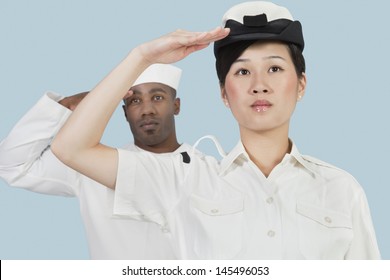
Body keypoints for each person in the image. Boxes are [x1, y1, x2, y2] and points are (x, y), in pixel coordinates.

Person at [51, 1, 380, 259]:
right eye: (242, 72)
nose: (259, 85)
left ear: (301, 85)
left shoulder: (341, 190)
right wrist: (142, 58)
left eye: (275, 68)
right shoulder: (185, 181)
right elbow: (71, 149)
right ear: (224, 93)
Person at [0, 64, 188, 259]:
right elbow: (12, 165)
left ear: (176, 105)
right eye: (135, 100)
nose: (147, 110)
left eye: (157, 98)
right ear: (124, 113)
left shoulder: (207, 170)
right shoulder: (90, 167)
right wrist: (65, 106)